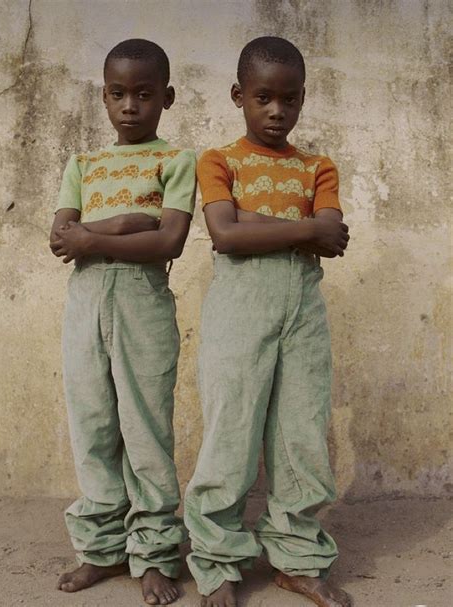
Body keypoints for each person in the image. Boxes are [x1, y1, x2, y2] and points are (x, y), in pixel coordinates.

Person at [184, 36, 351, 607]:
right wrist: (301, 227)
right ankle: (218, 559)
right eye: (263, 98)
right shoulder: (218, 160)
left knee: (301, 433)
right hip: (239, 308)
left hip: (302, 310)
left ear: (303, 99)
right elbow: (225, 235)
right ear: (238, 96)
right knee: (231, 430)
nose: (277, 111)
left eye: (290, 99)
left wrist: (256, 221)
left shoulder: (317, 166)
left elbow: (334, 238)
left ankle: (297, 557)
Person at [49, 38, 196, 606]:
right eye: (118, 93)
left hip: (142, 303)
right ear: (103, 97)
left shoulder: (175, 161)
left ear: (167, 97)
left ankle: (155, 554)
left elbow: (171, 239)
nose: (130, 105)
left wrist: (95, 232)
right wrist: (130, 220)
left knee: (145, 430)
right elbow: (61, 236)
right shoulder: (82, 163)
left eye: (143, 94)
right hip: (84, 304)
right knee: (92, 426)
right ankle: (101, 550)